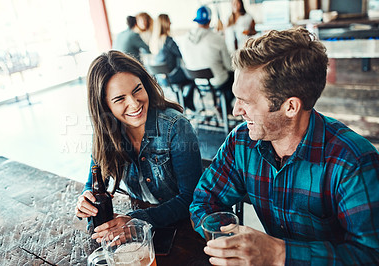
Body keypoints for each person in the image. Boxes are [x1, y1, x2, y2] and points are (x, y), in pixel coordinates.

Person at [189, 27, 379, 265]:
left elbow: (371, 256)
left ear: (290, 107)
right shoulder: (241, 142)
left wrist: (279, 253)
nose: (235, 111)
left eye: (246, 101)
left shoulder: (354, 162)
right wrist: (231, 244)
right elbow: (203, 201)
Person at [75, 50, 203, 243]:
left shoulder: (176, 126)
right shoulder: (106, 131)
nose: (134, 104)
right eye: (120, 99)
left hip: (184, 229)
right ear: (104, 105)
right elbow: (95, 180)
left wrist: (137, 221)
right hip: (142, 232)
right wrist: (87, 199)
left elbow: (191, 199)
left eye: (137, 90)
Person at [180, 6, 234, 114]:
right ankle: (224, 105)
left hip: (196, 80)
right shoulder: (217, 38)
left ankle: (220, 105)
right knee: (234, 76)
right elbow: (229, 66)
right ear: (209, 20)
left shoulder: (184, 39)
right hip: (216, 81)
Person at [149, 14, 196, 111]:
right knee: (192, 77)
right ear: (165, 23)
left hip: (160, 78)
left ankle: (182, 101)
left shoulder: (154, 41)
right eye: (169, 21)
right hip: (172, 76)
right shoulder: (168, 40)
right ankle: (186, 101)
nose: (171, 23)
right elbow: (180, 54)